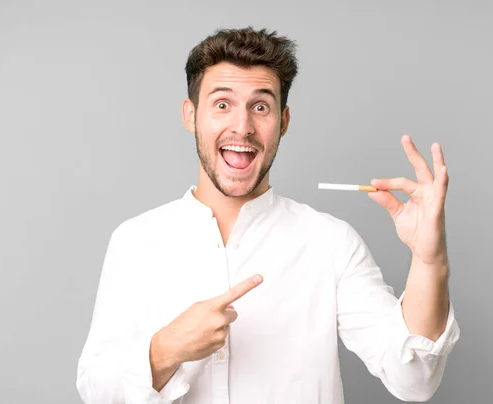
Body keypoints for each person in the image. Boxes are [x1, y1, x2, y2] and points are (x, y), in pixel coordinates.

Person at [76, 27, 460, 404]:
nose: (242, 127)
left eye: (260, 107)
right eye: (222, 104)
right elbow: (96, 392)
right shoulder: (135, 241)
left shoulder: (331, 243)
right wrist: (164, 350)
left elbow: (414, 381)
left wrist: (430, 261)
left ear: (284, 121)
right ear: (191, 115)